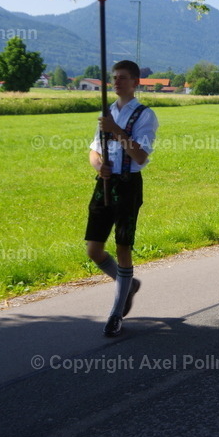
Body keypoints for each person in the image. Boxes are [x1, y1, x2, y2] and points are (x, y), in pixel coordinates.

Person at [86, 60, 160, 338]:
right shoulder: (107, 112)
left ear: (135, 82)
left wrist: (115, 130)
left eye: (123, 78)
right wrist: (98, 166)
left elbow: (140, 156)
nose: (116, 82)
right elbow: (94, 150)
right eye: (114, 78)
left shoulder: (144, 115)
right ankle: (127, 283)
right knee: (93, 250)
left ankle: (116, 313)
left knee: (122, 247)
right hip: (105, 183)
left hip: (128, 185)